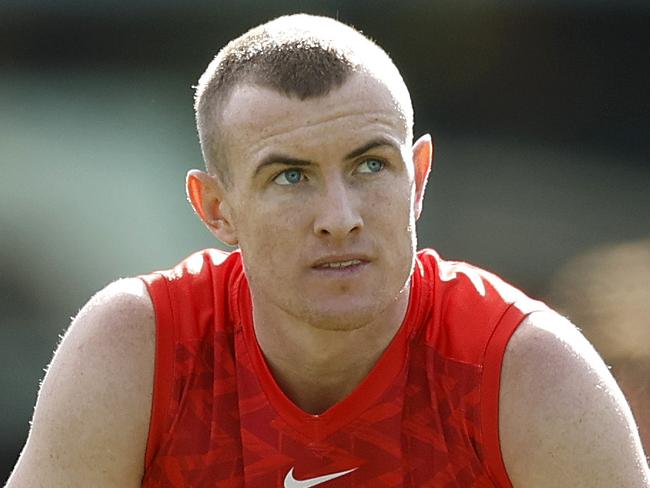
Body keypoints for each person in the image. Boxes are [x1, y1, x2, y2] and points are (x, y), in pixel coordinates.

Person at [6, 13, 649, 488]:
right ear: (215, 209)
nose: (339, 219)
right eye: (291, 177)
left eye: (370, 166)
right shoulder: (137, 350)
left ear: (418, 179)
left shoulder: (527, 373)